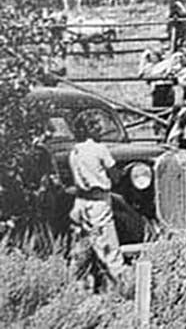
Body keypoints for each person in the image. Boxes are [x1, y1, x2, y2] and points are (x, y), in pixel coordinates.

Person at [68, 113, 125, 294]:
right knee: (109, 248)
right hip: (99, 201)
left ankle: (80, 288)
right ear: (89, 130)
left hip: (80, 202)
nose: (100, 130)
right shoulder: (100, 149)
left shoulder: (74, 151)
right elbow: (115, 175)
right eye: (96, 126)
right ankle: (121, 289)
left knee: (83, 248)